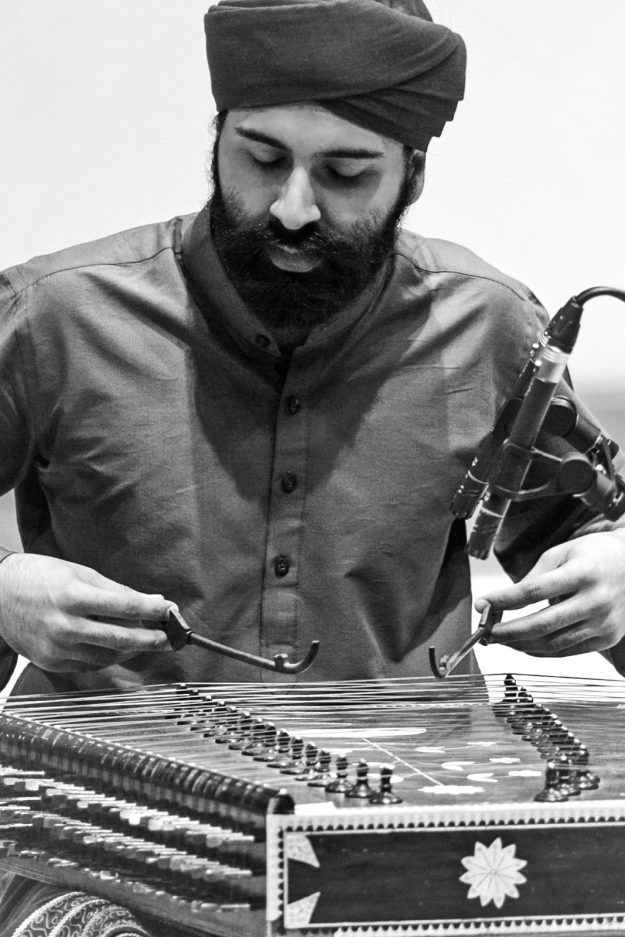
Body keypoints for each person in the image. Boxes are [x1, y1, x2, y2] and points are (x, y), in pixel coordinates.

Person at [1, 0, 625, 933]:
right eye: (260, 158)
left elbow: (591, 532)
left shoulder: (488, 328)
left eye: (344, 174)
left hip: (409, 845)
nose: (293, 208)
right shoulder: (57, 317)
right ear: (216, 136)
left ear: (413, 173)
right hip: (104, 848)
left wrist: (618, 568)